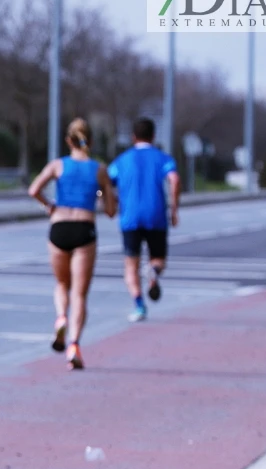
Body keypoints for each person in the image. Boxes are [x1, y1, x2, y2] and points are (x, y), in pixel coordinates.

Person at [29, 118, 117, 370]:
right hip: (84, 228)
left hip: (59, 226)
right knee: (79, 293)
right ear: (90, 140)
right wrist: (101, 193)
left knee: (61, 284)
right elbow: (111, 211)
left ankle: (60, 319)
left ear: (69, 140)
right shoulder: (100, 169)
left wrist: (50, 206)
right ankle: (74, 345)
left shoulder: (58, 165)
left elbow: (33, 189)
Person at [107, 118, 181, 322]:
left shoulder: (122, 160)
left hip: (129, 216)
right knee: (158, 259)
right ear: (153, 136)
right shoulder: (163, 158)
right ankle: (153, 271)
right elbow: (174, 179)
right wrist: (174, 209)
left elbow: (104, 182)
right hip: (156, 215)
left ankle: (139, 305)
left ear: (133, 137)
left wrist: (108, 199)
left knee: (131, 266)